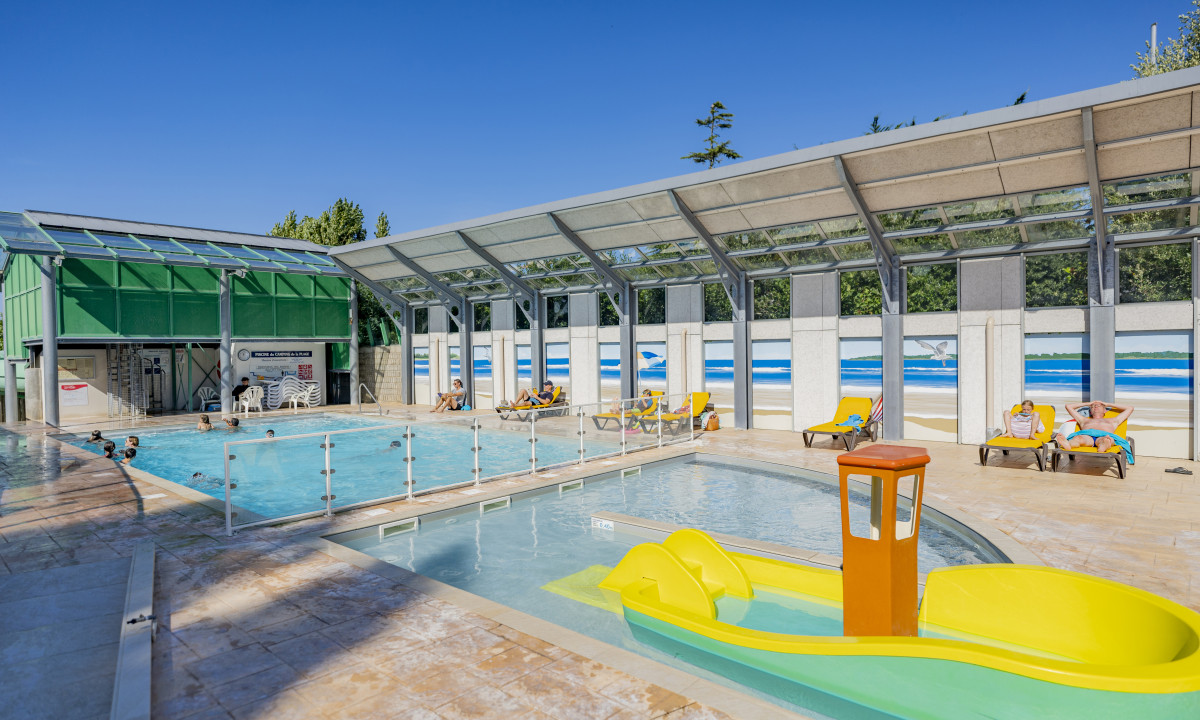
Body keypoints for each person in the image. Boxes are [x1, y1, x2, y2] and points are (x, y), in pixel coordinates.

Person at [1056, 401, 1135, 454]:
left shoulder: (1113, 420)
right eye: (1093, 406)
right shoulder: (1083, 420)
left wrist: (1108, 404)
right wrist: (1088, 403)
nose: (1095, 406)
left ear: (1105, 410)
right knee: (1077, 438)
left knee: (1106, 439)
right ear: (1090, 411)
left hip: (1104, 436)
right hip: (1087, 437)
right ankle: (1068, 445)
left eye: (1099, 405)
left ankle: (1103, 446)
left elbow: (1130, 408)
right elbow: (1068, 406)